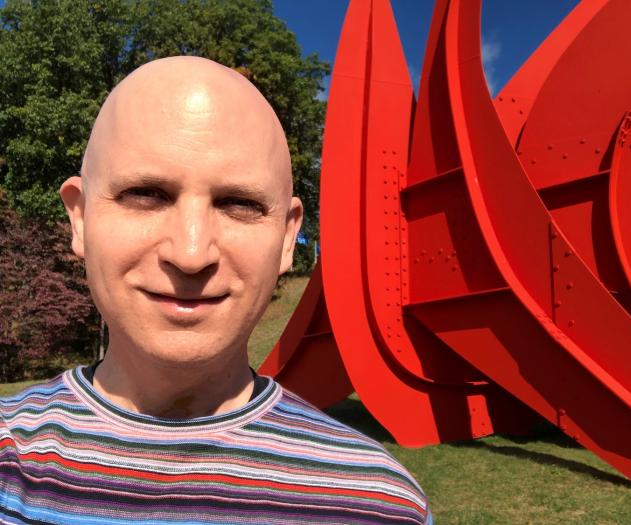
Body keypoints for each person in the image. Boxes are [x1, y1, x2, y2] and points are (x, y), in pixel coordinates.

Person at [0, 56, 432, 524]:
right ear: (80, 220)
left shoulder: (378, 504)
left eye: (239, 204)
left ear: (288, 238)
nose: (190, 253)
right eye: (146, 195)